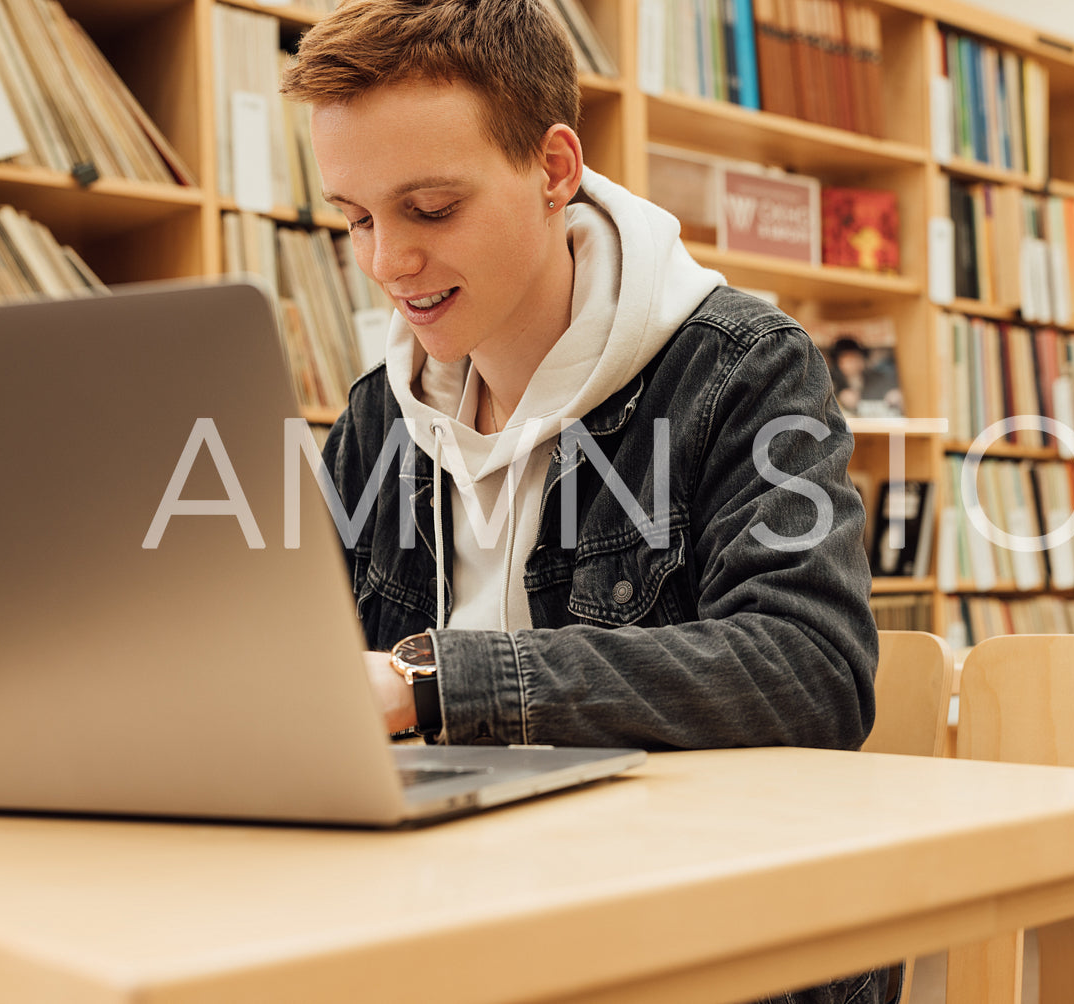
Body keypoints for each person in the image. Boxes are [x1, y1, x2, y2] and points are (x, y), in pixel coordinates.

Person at [283, 2, 886, 1000]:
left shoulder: (739, 369)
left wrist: (431, 681)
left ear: (555, 169)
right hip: (439, 911)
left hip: (701, 933)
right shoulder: (376, 418)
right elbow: (297, 669)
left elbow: (810, 668)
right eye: (354, 218)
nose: (388, 261)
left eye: (430, 209)